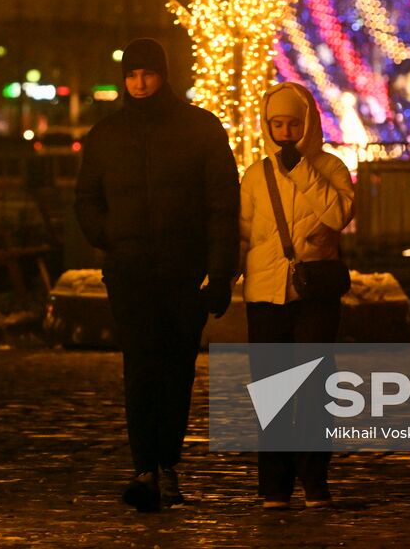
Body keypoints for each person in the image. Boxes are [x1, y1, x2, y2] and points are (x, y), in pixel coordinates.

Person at [75, 37, 240, 512]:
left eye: (147, 73)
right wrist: (110, 235)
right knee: (142, 367)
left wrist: (220, 268)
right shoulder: (107, 134)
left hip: (182, 270)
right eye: (132, 75)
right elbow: (86, 198)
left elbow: (221, 205)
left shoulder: (200, 129)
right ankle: (147, 466)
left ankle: (164, 462)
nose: (140, 82)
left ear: (164, 75)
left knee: (176, 369)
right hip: (130, 270)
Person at [239, 81, 354, 509]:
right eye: (277, 124)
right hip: (265, 294)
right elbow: (245, 233)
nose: (285, 132)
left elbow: (339, 214)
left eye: (292, 124)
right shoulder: (256, 175)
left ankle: (314, 478)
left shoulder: (331, 168)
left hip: (314, 293)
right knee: (272, 390)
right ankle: (274, 484)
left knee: (315, 388)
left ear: (307, 125)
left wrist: (303, 170)